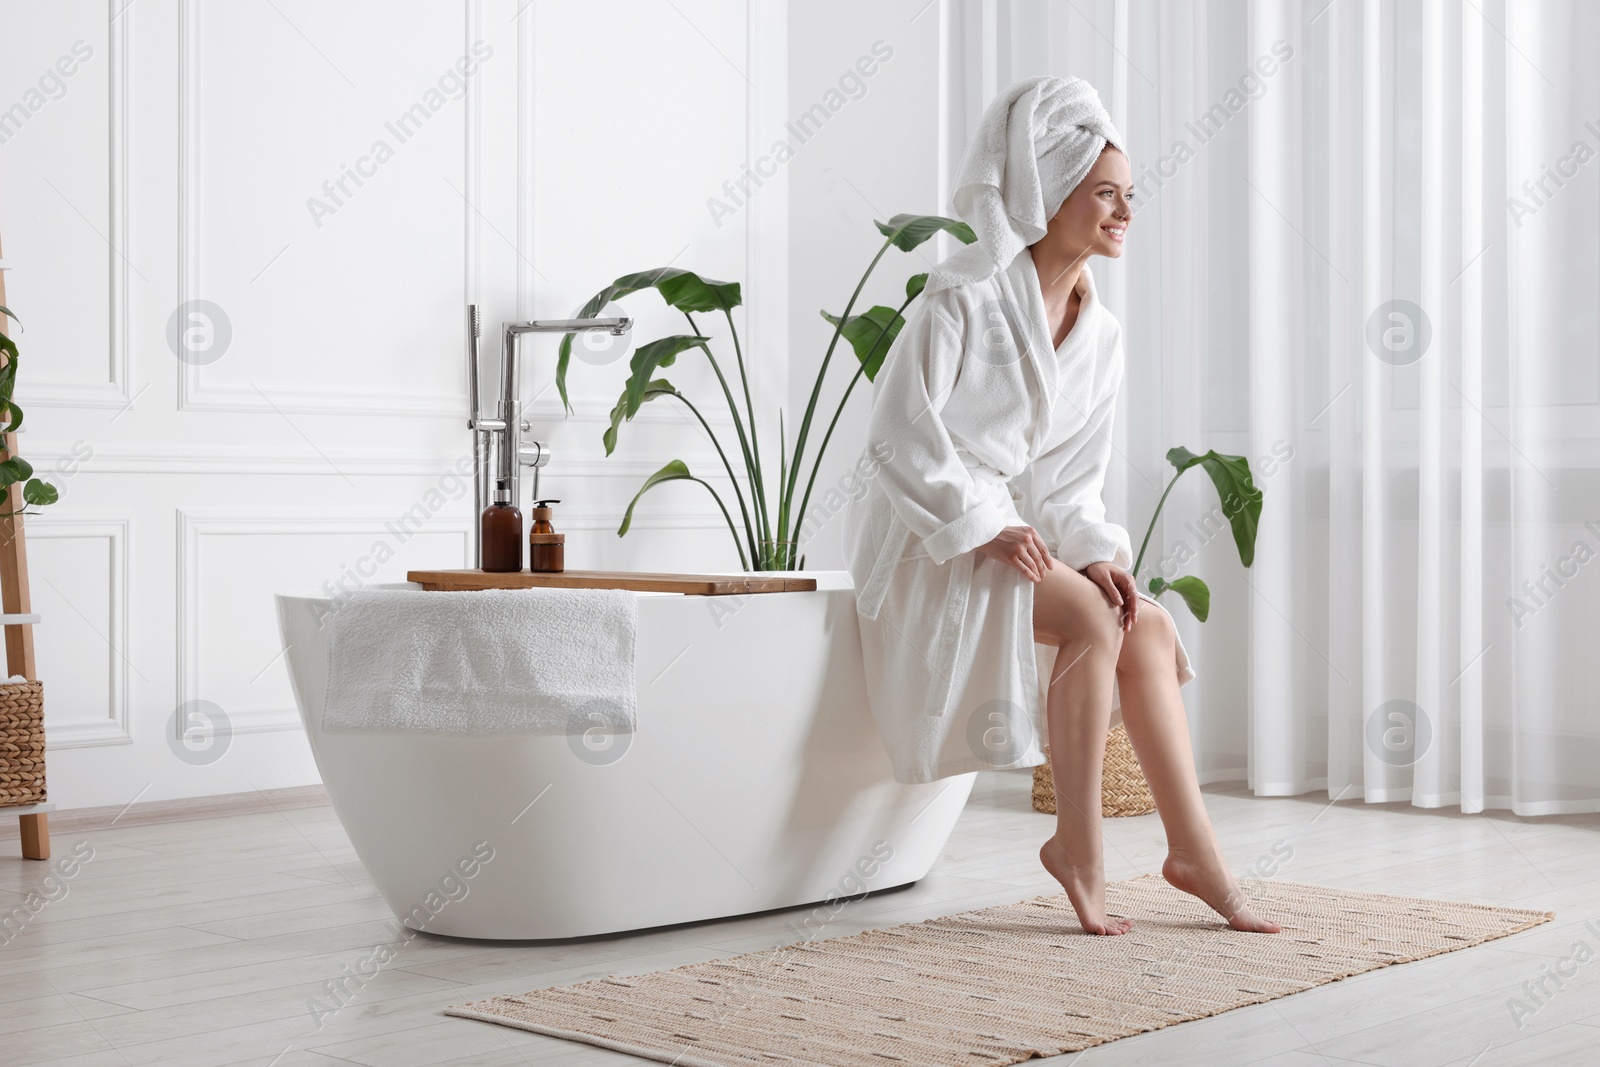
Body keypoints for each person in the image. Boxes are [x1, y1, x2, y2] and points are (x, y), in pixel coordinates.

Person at [841, 75, 1279, 936]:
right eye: (1105, 193)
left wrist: (1099, 550)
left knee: (1140, 618)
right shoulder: (962, 296)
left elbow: (1076, 475)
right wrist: (980, 525)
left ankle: (1195, 852)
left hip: (1010, 530)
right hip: (930, 534)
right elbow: (895, 437)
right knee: (1090, 620)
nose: (1124, 210)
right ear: (1048, 192)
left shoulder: (1102, 335)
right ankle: (1078, 849)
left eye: (1130, 195)